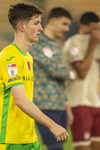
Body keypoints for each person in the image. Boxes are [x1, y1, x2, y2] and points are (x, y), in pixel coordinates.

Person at [0, 3, 69, 150]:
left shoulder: (28, 58)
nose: (41, 29)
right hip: (8, 140)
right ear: (22, 26)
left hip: (29, 139)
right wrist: (53, 125)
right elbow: (20, 100)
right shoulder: (9, 57)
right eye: (36, 23)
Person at [29, 7, 76, 150]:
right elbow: (55, 71)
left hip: (60, 106)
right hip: (45, 106)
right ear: (53, 21)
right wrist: (73, 73)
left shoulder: (55, 45)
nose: (67, 29)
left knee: (58, 146)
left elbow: (60, 80)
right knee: (55, 147)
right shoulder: (38, 42)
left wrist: (67, 107)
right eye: (64, 24)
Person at [62, 12, 100, 150]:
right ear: (83, 26)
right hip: (78, 102)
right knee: (82, 148)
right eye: (94, 29)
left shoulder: (97, 44)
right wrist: (93, 46)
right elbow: (82, 72)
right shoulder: (73, 43)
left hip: (95, 102)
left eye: (99, 29)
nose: (97, 33)